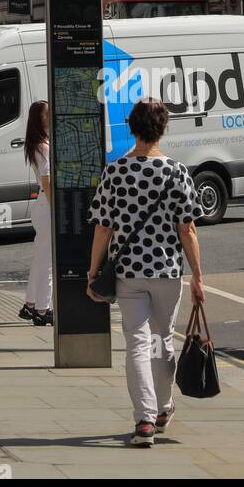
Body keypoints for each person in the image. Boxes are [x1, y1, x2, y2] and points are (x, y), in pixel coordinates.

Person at [87, 97, 205, 447]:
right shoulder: (177, 171)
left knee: (136, 343)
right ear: (163, 128)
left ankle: (144, 421)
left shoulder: (115, 170)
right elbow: (188, 229)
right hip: (167, 271)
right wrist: (198, 276)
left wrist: (93, 270)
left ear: (132, 127)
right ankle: (164, 407)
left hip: (129, 272)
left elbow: (103, 228)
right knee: (162, 339)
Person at [21, 101, 52, 326]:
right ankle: (43, 309)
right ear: (39, 120)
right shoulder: (44, 147)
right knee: (48, 261)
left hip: (40, 205)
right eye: (47, 114)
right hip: (47, 205)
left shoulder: (37, 145)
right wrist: (57, 209)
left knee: (40, 258)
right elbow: (47, 181)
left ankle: (31, 304)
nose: (51, 117)